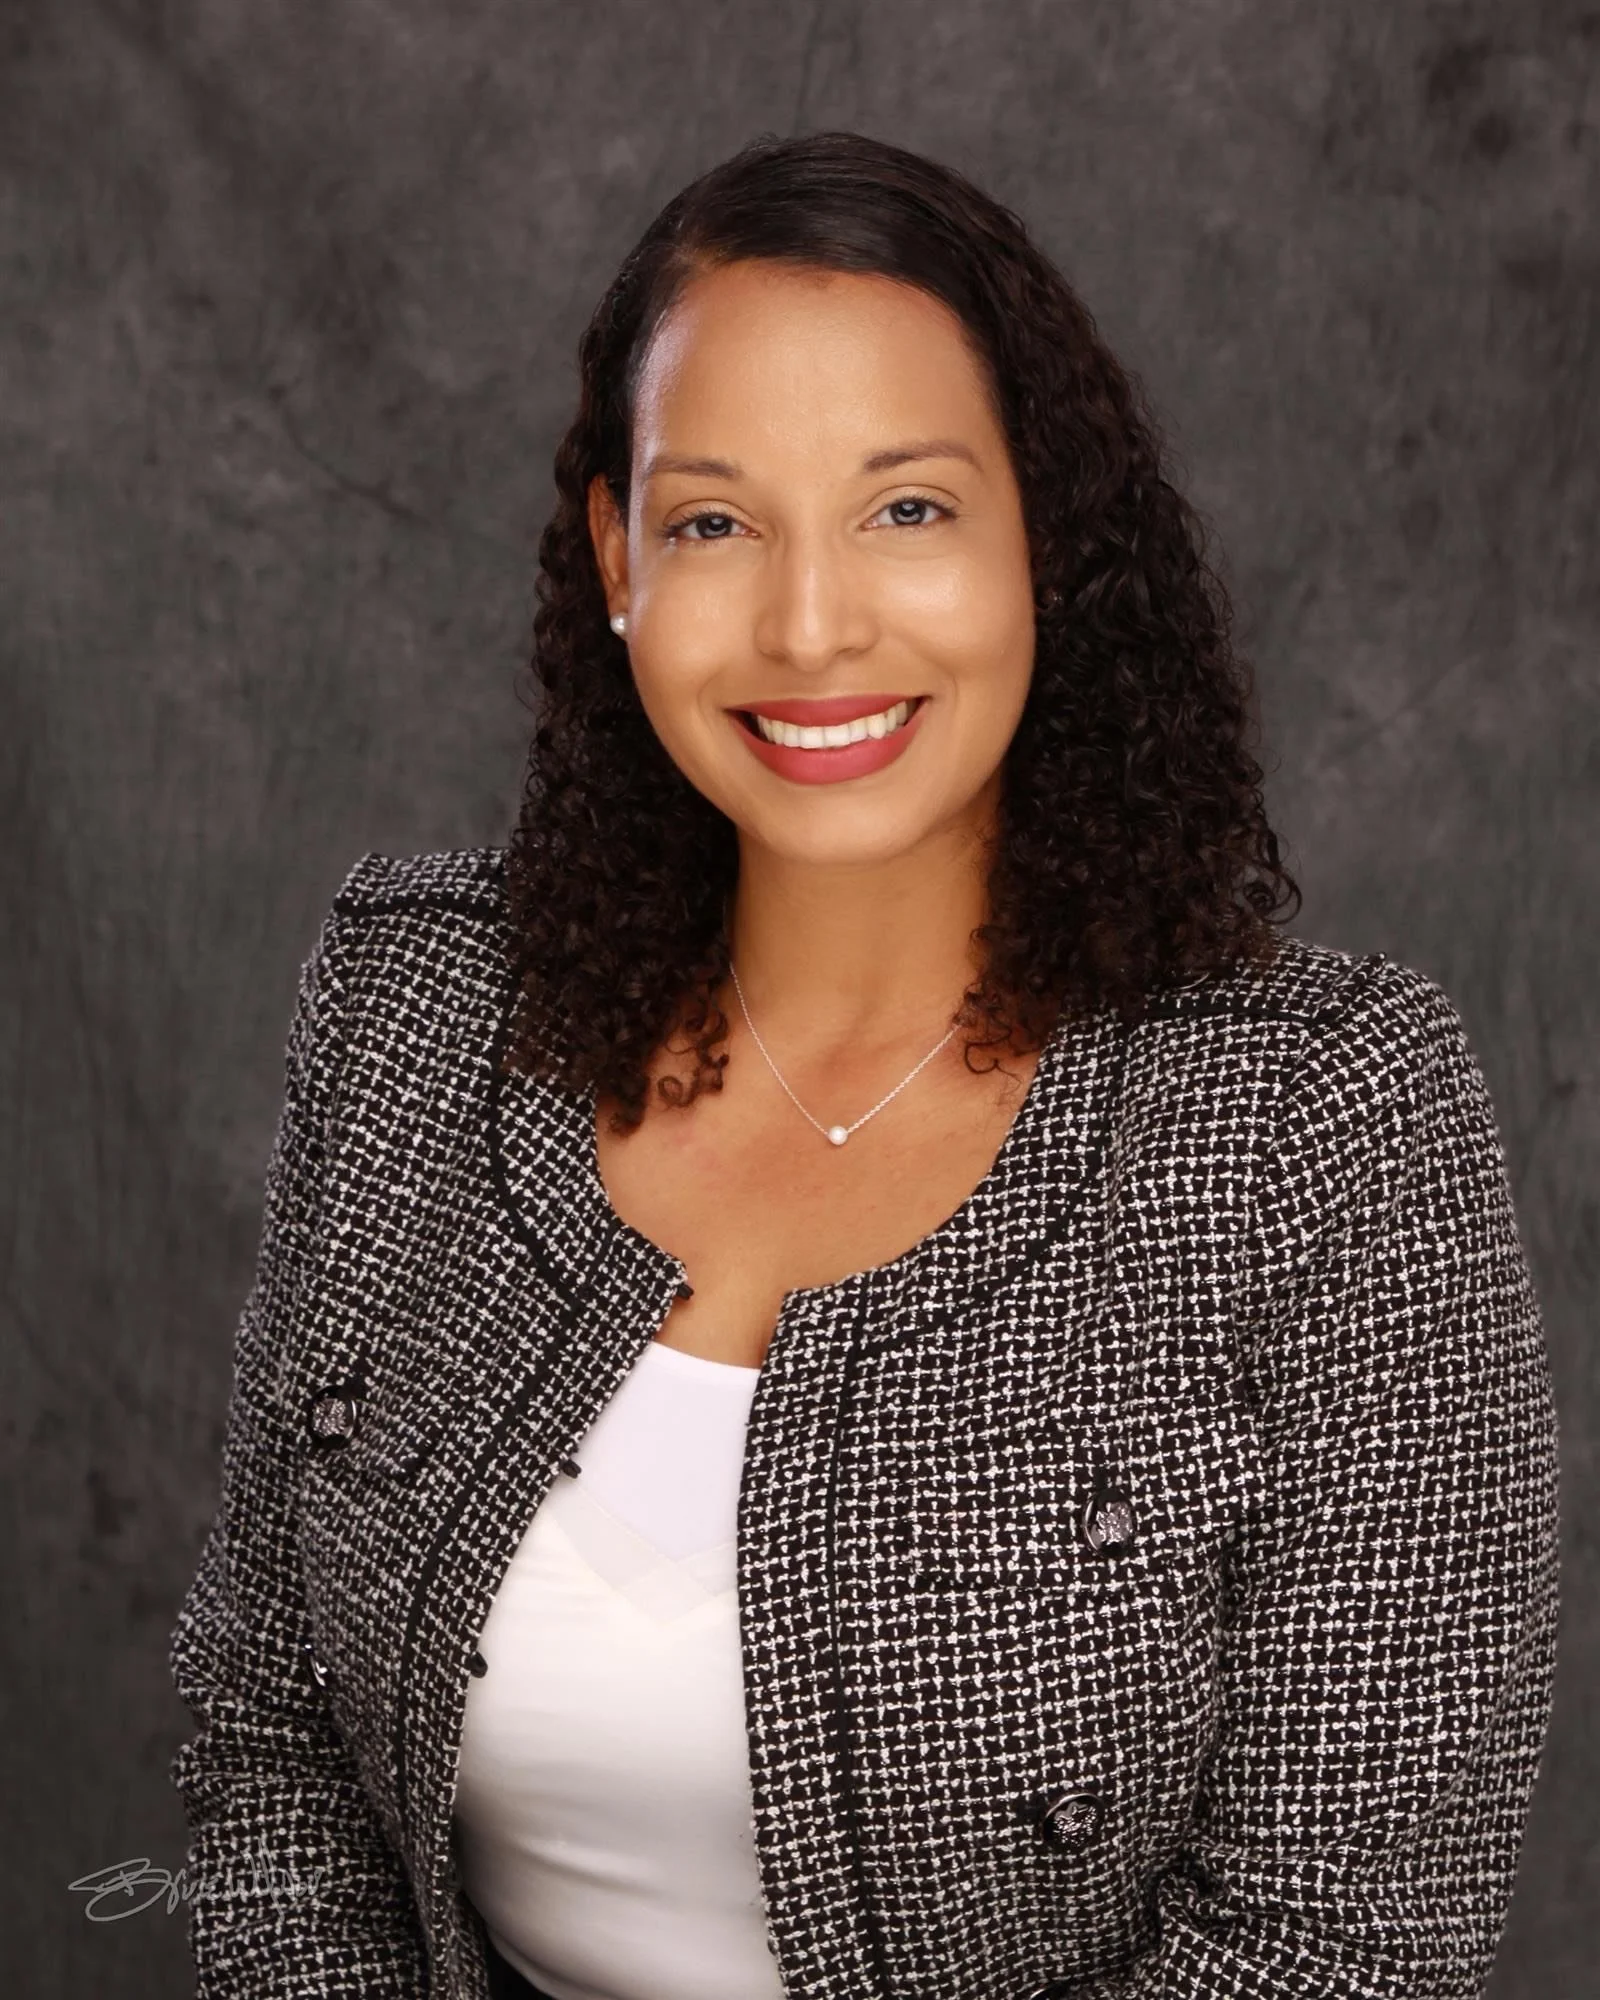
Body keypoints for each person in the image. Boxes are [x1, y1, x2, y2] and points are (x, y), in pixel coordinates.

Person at [168, 131, 1559, 2000]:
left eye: (907, 509)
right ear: (617, 559)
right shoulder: (418, 1008)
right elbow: (273, 1747)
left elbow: (1344, 1936)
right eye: (716, 523)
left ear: (1043, 539)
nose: (812, 625)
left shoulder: (1325, 1117)